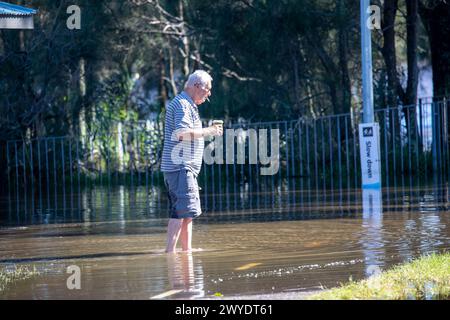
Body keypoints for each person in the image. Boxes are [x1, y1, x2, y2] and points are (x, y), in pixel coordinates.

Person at [161, 70, 223, 253]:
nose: (209, 93)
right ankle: (170, 253)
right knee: (181, 211)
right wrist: (209, 131)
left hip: (184, 169)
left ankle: (185, 251)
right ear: (197, 86)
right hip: (181, 167)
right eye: (208, 89)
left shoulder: (188, 105)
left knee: (186, 212)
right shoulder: (182, 105)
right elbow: (182, 134)